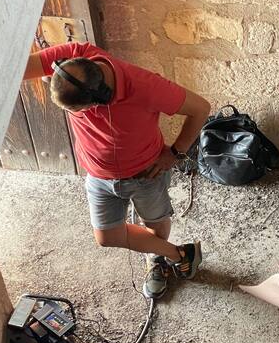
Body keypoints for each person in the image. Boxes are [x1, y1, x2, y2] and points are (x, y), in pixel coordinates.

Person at [23, 41, 210, 300]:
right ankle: (176, 254)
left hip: (146, 175)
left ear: (100, 97)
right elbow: (18, 66)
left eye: (79, 111)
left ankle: (157, 259)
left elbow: (201, 108)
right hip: (98, 176)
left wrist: (175, 153)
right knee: (107, 236)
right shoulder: (73, 56)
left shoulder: (145, 86)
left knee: (155, 226)